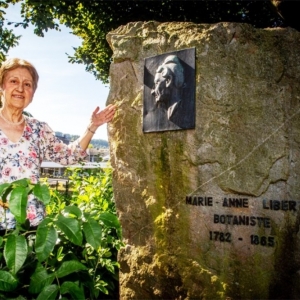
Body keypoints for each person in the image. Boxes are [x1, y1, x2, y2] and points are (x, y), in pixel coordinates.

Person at [0, 57, 116, 230]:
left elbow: (69, 156)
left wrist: (93, 126)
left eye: (27, 84)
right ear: (2, 86)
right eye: (14, 81)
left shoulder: (38, 129)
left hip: (33, 226)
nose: (20, 88)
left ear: (32, 93)